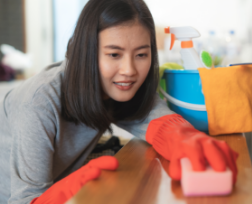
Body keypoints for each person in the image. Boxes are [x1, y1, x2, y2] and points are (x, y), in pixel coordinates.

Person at [0, 0, 238, 203]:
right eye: (114, 54)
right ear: (87, 52)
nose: (129, 70)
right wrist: (64, 191)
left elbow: (157, 121)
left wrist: (185, 136)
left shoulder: (114, 88)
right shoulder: (38, 103)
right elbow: (24, 198)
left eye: (141, 55)